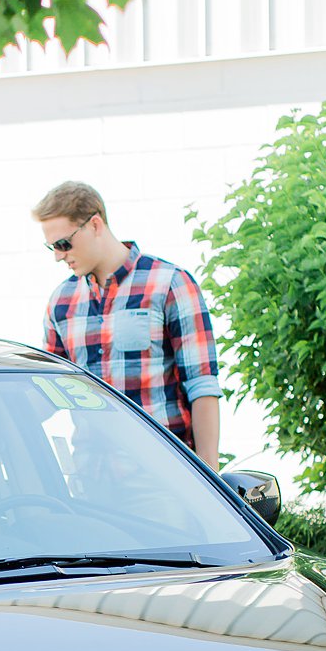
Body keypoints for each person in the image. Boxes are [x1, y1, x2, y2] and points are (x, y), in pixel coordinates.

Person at [33, 181, 223, 467]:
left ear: (95, 225)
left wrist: (211, 477)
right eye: (52, 247)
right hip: (91, 479)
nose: (59, 255)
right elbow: (46, 392)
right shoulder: (61, 302)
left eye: (63, 244)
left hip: (163, 474)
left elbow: (202, 385)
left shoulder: (170, 284)